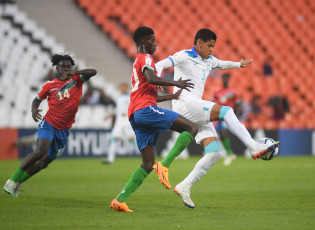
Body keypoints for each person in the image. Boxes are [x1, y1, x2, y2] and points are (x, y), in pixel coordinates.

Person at [155, 28, 280, 208]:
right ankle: (253, 146)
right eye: (209, 45)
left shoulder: (210, 60)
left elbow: (222, 64)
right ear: (198, 43)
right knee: (226, 111)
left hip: (194, 107)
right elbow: (160, 65)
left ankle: (184, 186)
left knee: (215, 153)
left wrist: (239, 64)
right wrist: (159, 81)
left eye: (213, 46)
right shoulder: (184, 55)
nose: (211, 49)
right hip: (184, 103)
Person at [110, 26, 198, 212]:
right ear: (143, 42)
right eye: (152, 40)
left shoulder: (137, 63)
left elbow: (149, 94)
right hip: (145, 110)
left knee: (147, 163)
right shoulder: (146, 58)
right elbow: (151, 78)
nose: (155, 44)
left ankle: (120, 199)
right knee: (191, 128)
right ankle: (164, 165)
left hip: (136, 114)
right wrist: (176, 83)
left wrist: (171, 97)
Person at [4, 53, 97, 197]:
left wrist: (75, 72)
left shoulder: (77, 80)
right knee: (40, 152)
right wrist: (34, 110)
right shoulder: (50, 85)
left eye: (68, 66)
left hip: (64, 129)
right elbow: (36, 100)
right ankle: (12, 181)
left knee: (43, 163)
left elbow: (93, 72)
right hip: (49, 123)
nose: (66, 68)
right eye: (62, 66)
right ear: (57, 68)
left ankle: (19, 182)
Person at [102, 82, 136, 164]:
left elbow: (134, 107)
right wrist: (110, 115)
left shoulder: (130, 97)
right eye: (122, 87)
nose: (123, 89)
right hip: (119, 121)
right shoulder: (118, 97)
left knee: (132, 139)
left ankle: (144, 156)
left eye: (124, 87)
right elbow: (117, 109)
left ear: (127, 88)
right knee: (114, 138)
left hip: (127, 121)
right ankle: (110, 159)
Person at [213, 73, 241, 165]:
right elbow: (212, 100)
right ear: (222, 79)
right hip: (219, 115)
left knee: (224, 132)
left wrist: (236, 113)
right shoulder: (217, 91)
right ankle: (230, 153)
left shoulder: (232, 92)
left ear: (229, 80)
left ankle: (228, 155)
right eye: (224, 78)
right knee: (221, 135)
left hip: (228, 115)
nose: (225, 80)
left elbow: (238, 102)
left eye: (227, 79)